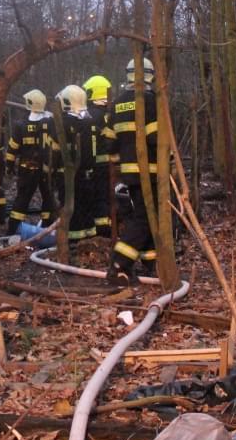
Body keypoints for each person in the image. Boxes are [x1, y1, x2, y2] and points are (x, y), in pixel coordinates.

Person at [105, 57, 159, 284]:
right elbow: (156, 138)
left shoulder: (117, 103)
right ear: (149, 75)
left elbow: (109, 143)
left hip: (128, 172)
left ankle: (150, 263)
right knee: (145, 218)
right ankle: (119, 263)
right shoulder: (151, 100)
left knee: (146, 215)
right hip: (151, 171)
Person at [4, 89, 58, 236]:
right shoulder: (51, 123)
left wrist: (9, 166)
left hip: (27, 169)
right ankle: (47, 228)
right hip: (47, 169)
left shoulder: (21, 125)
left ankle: (13, 231)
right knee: (48, 198)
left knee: (22, 200)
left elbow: (12, 148)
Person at [54, 85, 98, 241]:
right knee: (87, 208)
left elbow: (56, 151)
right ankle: (90, 240)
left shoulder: (63, 122)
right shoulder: (90, 121)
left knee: (73, 210)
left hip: (69, 175)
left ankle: (73, 242)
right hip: (89, 174)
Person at [83, 74, 114, 237]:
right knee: (104, 198)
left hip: (90, 165)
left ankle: (98, 232)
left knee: (93, 198)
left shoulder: (87, 115)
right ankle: (106, 231)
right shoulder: (108, 115)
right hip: (107, 164)